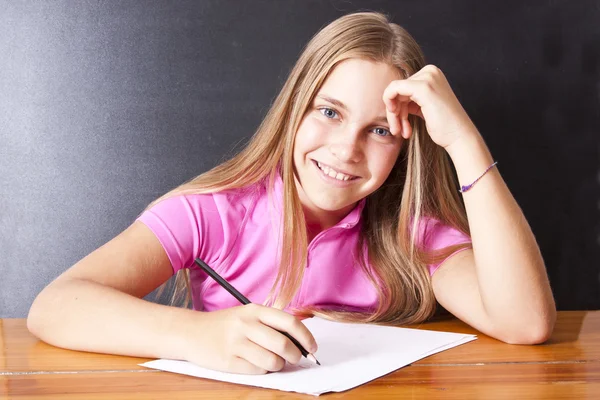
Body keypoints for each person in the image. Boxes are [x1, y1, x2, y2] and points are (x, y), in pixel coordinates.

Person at [27, 11, 556, 375]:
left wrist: (463, 140)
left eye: (380, 131)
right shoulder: (212, 213)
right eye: (330, 113)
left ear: (406, 144)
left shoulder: (410, 233)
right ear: (294, 110)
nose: (346, 150)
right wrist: (197, 336)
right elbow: (57, 305)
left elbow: (526, 322)